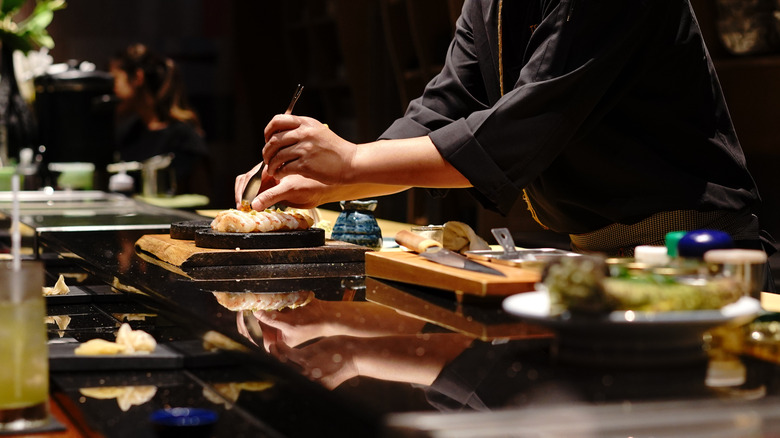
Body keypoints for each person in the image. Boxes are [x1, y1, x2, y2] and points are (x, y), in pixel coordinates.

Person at [236, 0, 774, 281]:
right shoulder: (488, 4)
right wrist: (323, 182)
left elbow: (522, 127)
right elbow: (440, 110)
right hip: (602, 259)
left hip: (701, 257)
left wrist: (351, 162)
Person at [110, 43, 208, 195]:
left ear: (137, 78)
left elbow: (201, 198)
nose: (112, 89)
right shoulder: (128, 132)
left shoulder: (183, 137)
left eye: (115, 79)